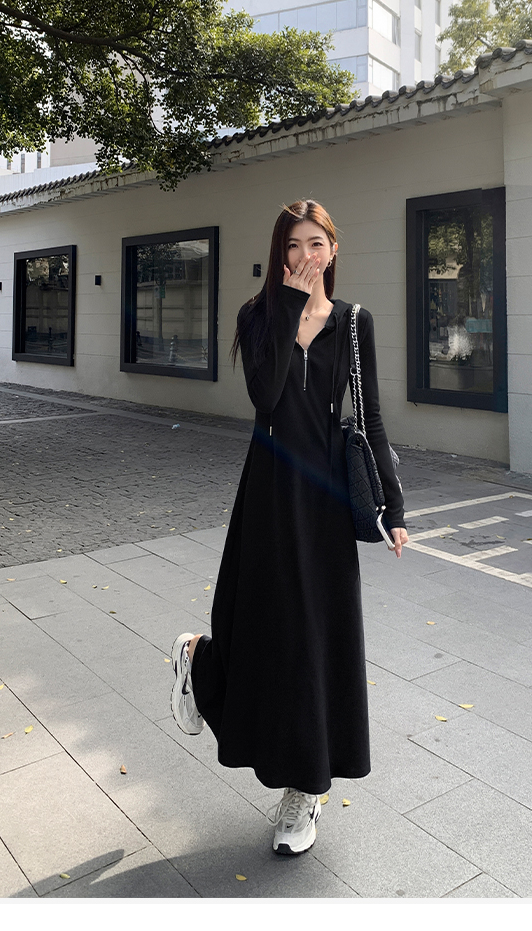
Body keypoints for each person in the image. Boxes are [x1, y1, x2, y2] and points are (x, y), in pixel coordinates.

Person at [170, 199, 408, 855]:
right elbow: (266, 397)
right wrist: (290, 312)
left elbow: (371, 417)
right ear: (280, 254)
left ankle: (304, 793)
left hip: (324, 498)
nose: (305, 256)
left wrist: (393, 509)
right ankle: (200, 661)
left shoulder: (354, 322)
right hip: (271, 492)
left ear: (333, 248)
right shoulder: (257, 315)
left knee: (316, 641)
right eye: (293, 246)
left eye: (315, 243)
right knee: (262, 626)